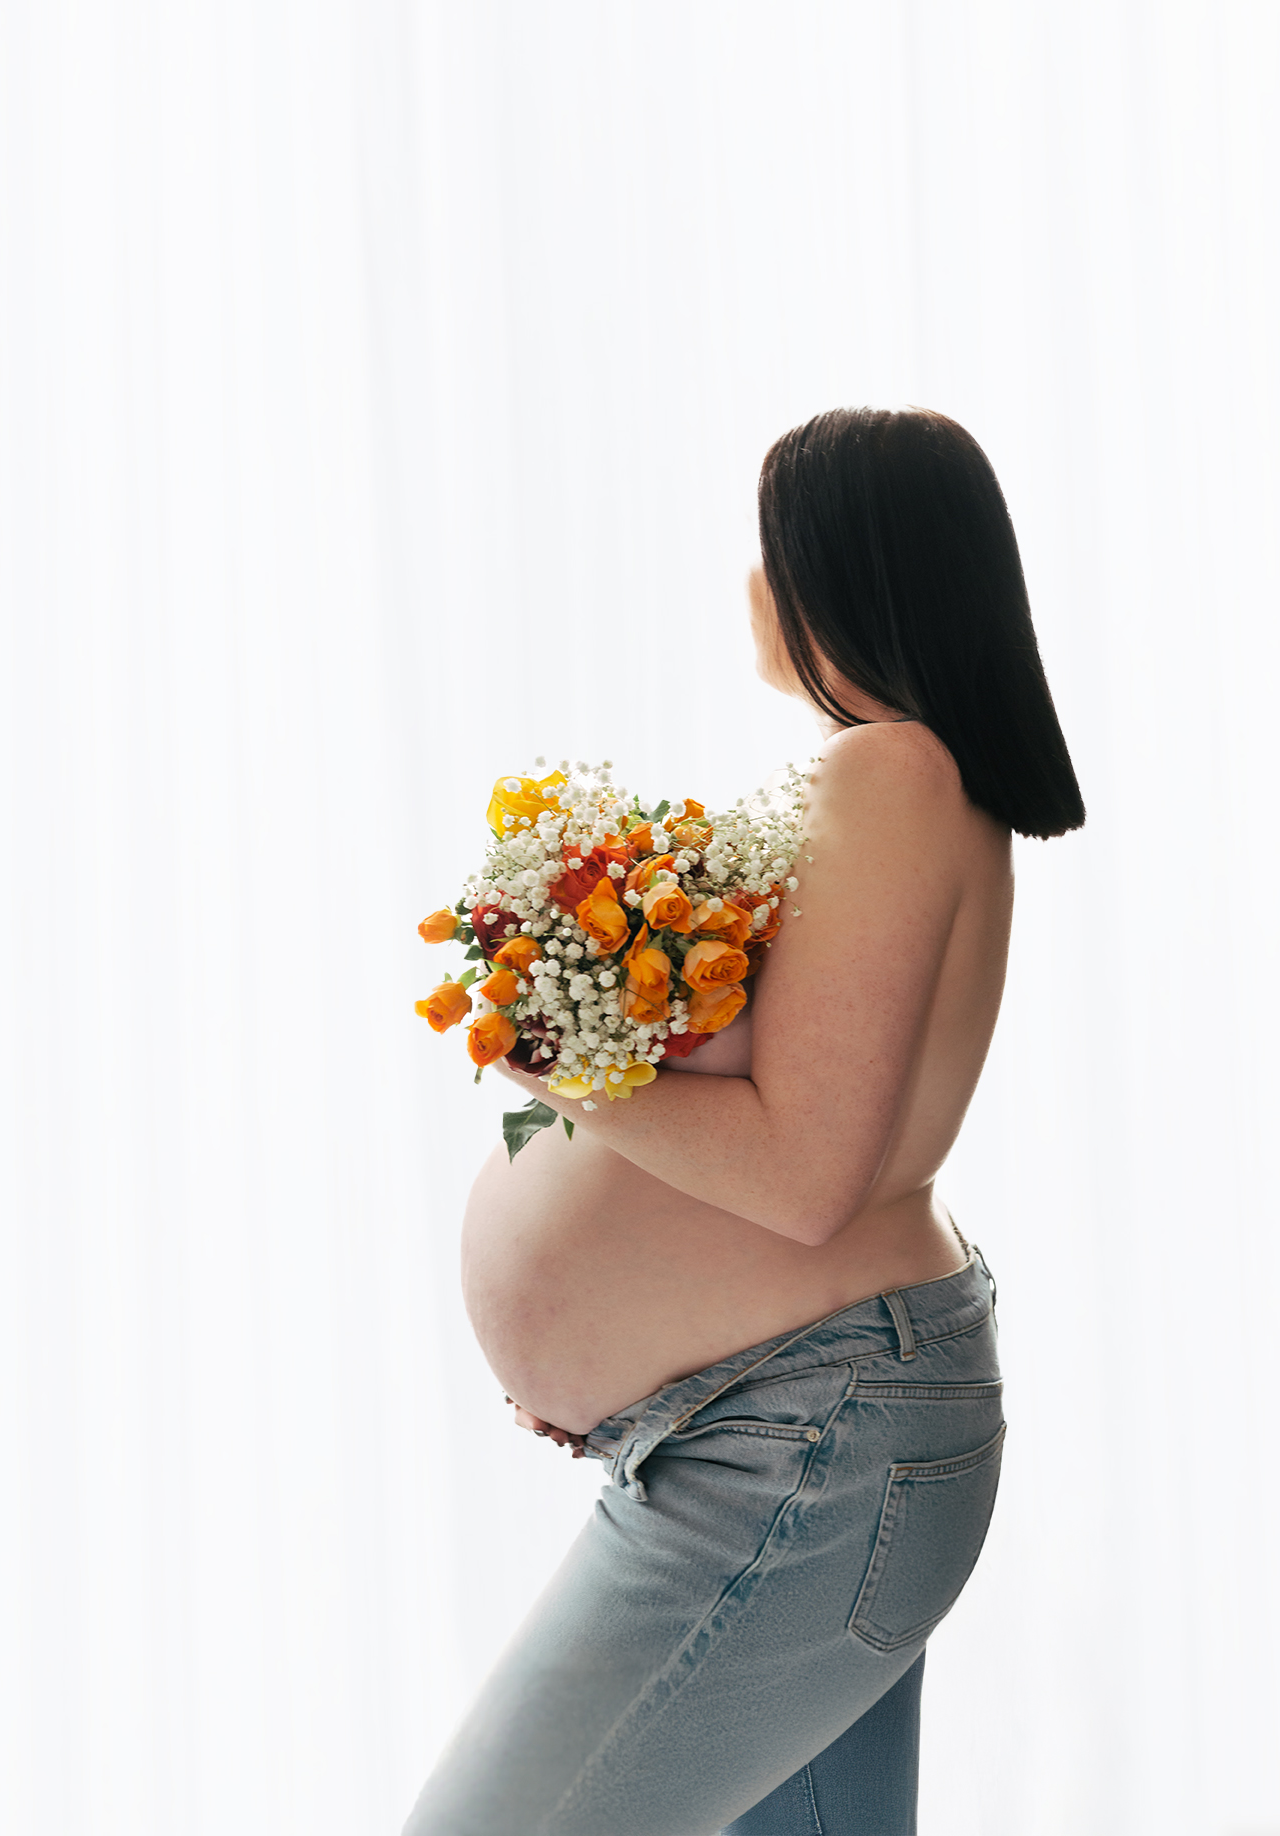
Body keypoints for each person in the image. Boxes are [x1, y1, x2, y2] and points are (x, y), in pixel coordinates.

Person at [408, 407, 1088, 1835]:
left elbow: (806, 1176)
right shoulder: (917, 785)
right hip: (796, 1422)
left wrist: (558, 1065)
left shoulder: (890, 773)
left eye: (773, 550)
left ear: (846, 574)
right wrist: (626, 1350)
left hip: (805, 1437)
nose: (751, 585)